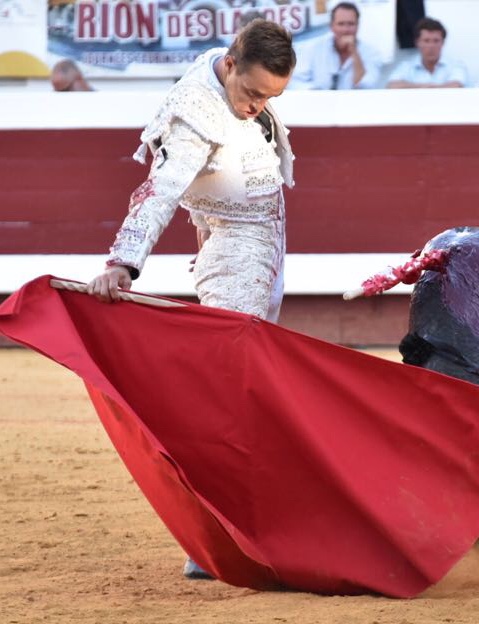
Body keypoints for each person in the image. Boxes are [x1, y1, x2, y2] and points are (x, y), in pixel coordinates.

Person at [85, 19, 297, 578]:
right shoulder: (194, 117)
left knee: (239, 398)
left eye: (270, 97)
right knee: (232, 402)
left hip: (261, 257)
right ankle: (213, 536)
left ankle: (224, 529)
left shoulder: (230, 75)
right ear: (230, 65)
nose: (256, 106)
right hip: (231, 263)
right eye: (252, 92)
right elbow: (158, 193)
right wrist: (122, 262)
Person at [289, 2, 382, 90]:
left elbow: (368, 86)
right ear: (332, 26)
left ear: (358, 26)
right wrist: (316, 93)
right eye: (341, 24)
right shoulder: (314, 49)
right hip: (319, 103)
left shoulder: (371, 53)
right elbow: (294, 81)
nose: (346, 30)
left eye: (351, 24)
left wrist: (354, 52)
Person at [386, 17, 467, 88]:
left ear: (443, 43)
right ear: (417, 42)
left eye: (436, 41)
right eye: (426, 41)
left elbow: (457, 85)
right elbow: (392, 85)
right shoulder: (407, 66)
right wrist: (424, 87)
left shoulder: (456, 65)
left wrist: (420, 88)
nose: (431, 46)